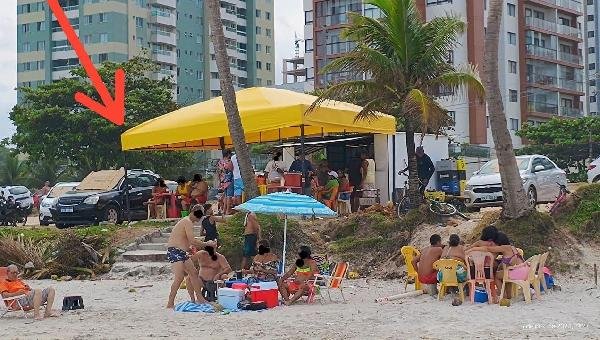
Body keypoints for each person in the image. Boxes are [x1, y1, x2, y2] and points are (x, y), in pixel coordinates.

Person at [166, 204, 216, 308]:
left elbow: (185, 239)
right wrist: (208, 244)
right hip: (175, 251)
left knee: (193, 273)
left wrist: (189, 248)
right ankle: (170, 303)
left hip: (182, 251)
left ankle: (199, 298)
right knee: (179, 278)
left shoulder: (188, 222)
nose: (200, 219)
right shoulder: (187, 221)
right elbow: (193, 240)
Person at [469, 232, 527, 301]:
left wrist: (472, 249)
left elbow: (488, 249)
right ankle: (508, 295)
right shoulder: (511, 247)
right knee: (504, 274)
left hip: (519, 272)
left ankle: (503, 295)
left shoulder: (503, 247)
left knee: (496, 276)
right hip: (525, 270)